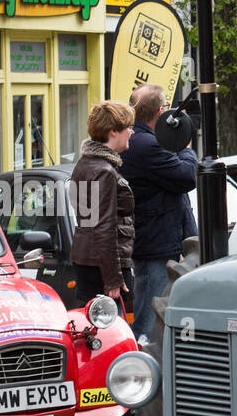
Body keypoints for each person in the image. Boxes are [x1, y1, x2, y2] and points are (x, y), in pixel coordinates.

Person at [121, 83, 198, 342]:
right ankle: (144, 370)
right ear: (160, 111)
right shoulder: (148, 144)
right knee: (149, 319)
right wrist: (186, 148)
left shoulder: (140, 141)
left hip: (153, 240)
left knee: (154, 311)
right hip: (157, 245)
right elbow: (187, 176)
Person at [70, 101, 136, 311]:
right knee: (112, 331)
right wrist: (113, 279)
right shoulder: (103, 170)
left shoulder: (86, 163)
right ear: (113, 132)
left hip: (90, 261)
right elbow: (103, 226)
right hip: (102, 267)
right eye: (128, 127)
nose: (131, 132)